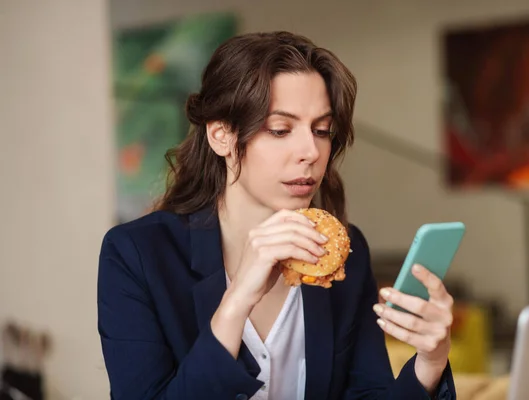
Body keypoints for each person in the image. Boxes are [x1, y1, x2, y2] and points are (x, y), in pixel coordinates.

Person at [97, 31, 456, 400]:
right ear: (221, 136)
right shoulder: (136, 255)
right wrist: (236, 303)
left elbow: (366, 392)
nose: (310, 151)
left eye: (322, 130)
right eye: (281, 130)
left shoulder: (345, 254)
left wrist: (430, 363)